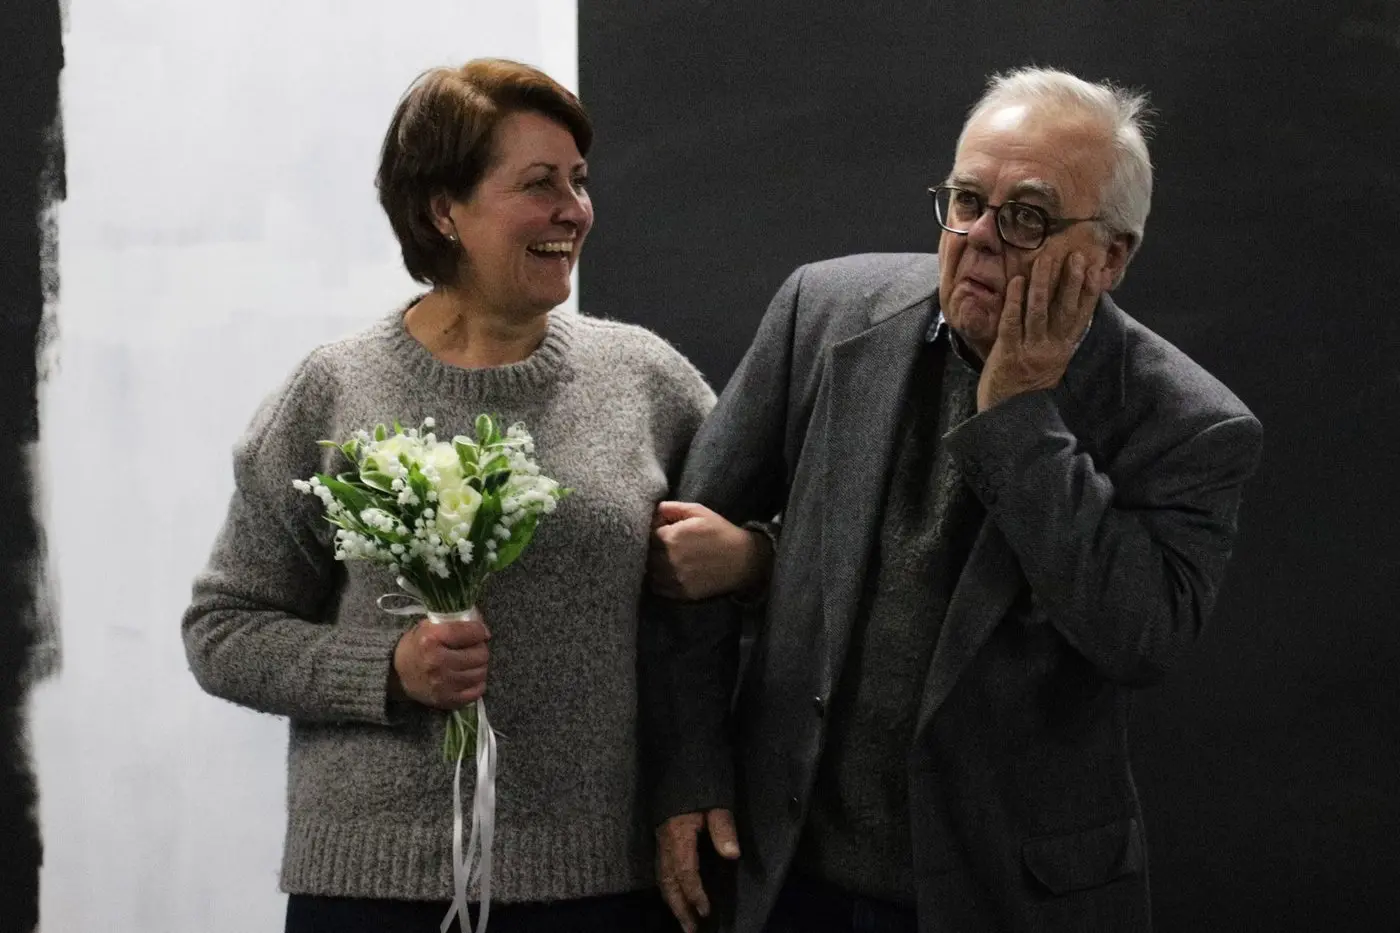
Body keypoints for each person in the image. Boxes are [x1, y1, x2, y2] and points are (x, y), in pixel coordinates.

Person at [643, 67, 1263, 933]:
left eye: (1027, 217)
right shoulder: (824, 311)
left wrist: (1018, 417)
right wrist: (689, 774)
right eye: (967, 200)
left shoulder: (1187, 422)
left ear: (1111, 257)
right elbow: (680, 557)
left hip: (1004, 894)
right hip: (782, 875)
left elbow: (1137, 635)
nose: (978, 237)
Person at [182, 59, 713, 933]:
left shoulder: (645, 381)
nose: (574, 210)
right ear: (443, 211)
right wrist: (386, 669)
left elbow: (774, 558)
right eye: (539, 184)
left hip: (597, 885)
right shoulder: (334, 391)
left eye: (579, 181)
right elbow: (223, 629)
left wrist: (750, 553)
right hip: (371, 888)